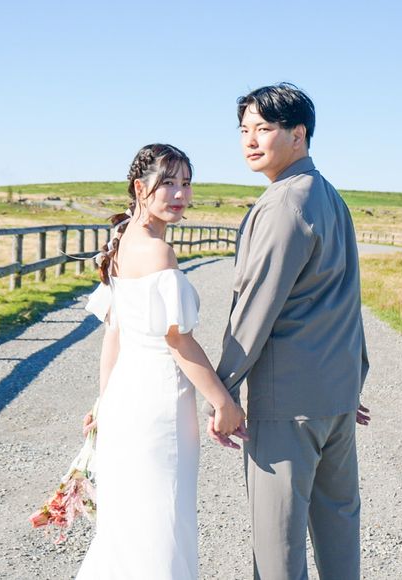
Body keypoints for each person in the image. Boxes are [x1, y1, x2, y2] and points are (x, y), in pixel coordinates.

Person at [206, 83, 371, 579]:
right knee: (339, 530)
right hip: (335, 398)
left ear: (298, 134)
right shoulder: (328, 195)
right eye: (244, 130)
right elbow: (348, 296)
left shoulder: (284, 203)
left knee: (277, 545)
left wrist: (222, 391)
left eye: (263, 128)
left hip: (288, 403)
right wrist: (353, 380)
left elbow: (256, 307)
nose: (250, 140)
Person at [77, 143, 245, 580]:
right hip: (157, 405)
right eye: (168, 183)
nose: (180, 194)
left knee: (130, 526)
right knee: (162, 521)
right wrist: (224, 403)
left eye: (186, 183)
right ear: (140, 188)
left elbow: (114, 333)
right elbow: (178, 342)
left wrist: (104, 402)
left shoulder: (120, 240)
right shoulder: (157, 252)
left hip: (124, 401)